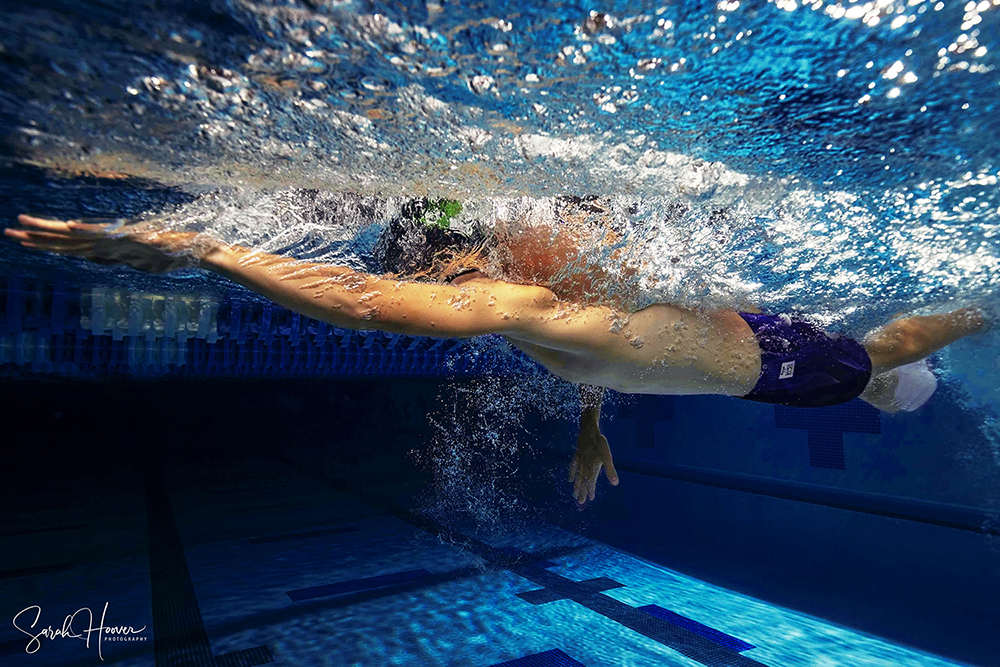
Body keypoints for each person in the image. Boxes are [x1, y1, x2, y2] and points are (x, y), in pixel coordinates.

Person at [5, 213, 987, 507]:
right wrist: (203, 248)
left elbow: (612, 349)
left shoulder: (545, 324)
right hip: (785, 366)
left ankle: (974, 313)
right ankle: (979, 308)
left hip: (756, 352)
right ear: (461, 263)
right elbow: (362, 303)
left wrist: (594, 425)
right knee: (898, 351)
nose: (514, 241)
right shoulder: (517, 306)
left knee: (902, 347)